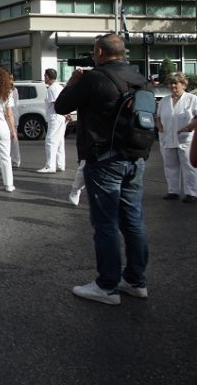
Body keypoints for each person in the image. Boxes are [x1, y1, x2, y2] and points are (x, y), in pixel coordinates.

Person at [55, 33, 151, 305]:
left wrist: (73, 82)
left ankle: (106, 285)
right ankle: (135, 280)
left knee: (105, 222)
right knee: (132, 219)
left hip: (105, 159)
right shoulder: (139, 78)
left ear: (99, 51)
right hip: (135, 157)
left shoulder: (95, 78)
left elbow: (62, 106)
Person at [156, 72, 197, 203]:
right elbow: (157, 116)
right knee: (170, 165)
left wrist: (190, 127)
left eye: (176, 83)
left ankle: (191, 192)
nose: (173, 86)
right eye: (170, 83)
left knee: (188, 166)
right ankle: (173, 191)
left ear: (183, 85)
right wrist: (159, 126)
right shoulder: (164, 100)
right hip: (167, 137)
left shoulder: (192, 99)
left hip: (186, 138)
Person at [37, 69, 67, 173]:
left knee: (50, 141)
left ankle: (50, 166)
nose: (44, 78)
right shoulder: (59, 87)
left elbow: (55, 104)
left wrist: (64, 113)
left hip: (55, 117)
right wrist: (66, 114)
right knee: (59, 142)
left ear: (48, 77)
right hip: (60, 117)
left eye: (45, 76)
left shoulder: (51, 89)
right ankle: (60, 164)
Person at [9, 74, 21, 168]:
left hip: (11, 116)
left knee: (13, 139)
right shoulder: (13, 89)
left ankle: (15, 160)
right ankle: (14, 160)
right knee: (12, 139)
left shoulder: (12, 90)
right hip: (12, 116)